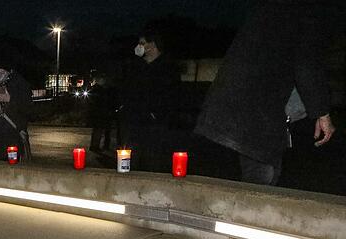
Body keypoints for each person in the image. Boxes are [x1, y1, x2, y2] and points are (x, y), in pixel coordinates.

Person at [194, 0, 335, 185]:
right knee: (262, 180)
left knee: (259, 174)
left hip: (238, 104)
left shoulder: (274, 9)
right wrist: (322, 113)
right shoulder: (307, 11)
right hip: (255, 110)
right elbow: (307, 65)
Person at [119, 29, 180, 172]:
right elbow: (126, 88)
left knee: (152, 162)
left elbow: (171, 95)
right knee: (129, 162)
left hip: (154, 125)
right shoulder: (135, 66)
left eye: (142, 43)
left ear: (152, 45)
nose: (139, 46)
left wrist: (156, 113)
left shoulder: (167, 68)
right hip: (132, 122)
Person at [88, 75, 117, 156]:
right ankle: (95, 146)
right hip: (100, 113)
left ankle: (95, 145)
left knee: (98, 130)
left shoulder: (97, 90)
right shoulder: (100, 91)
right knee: (99, 130)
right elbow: (100, 102)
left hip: (98, 113)